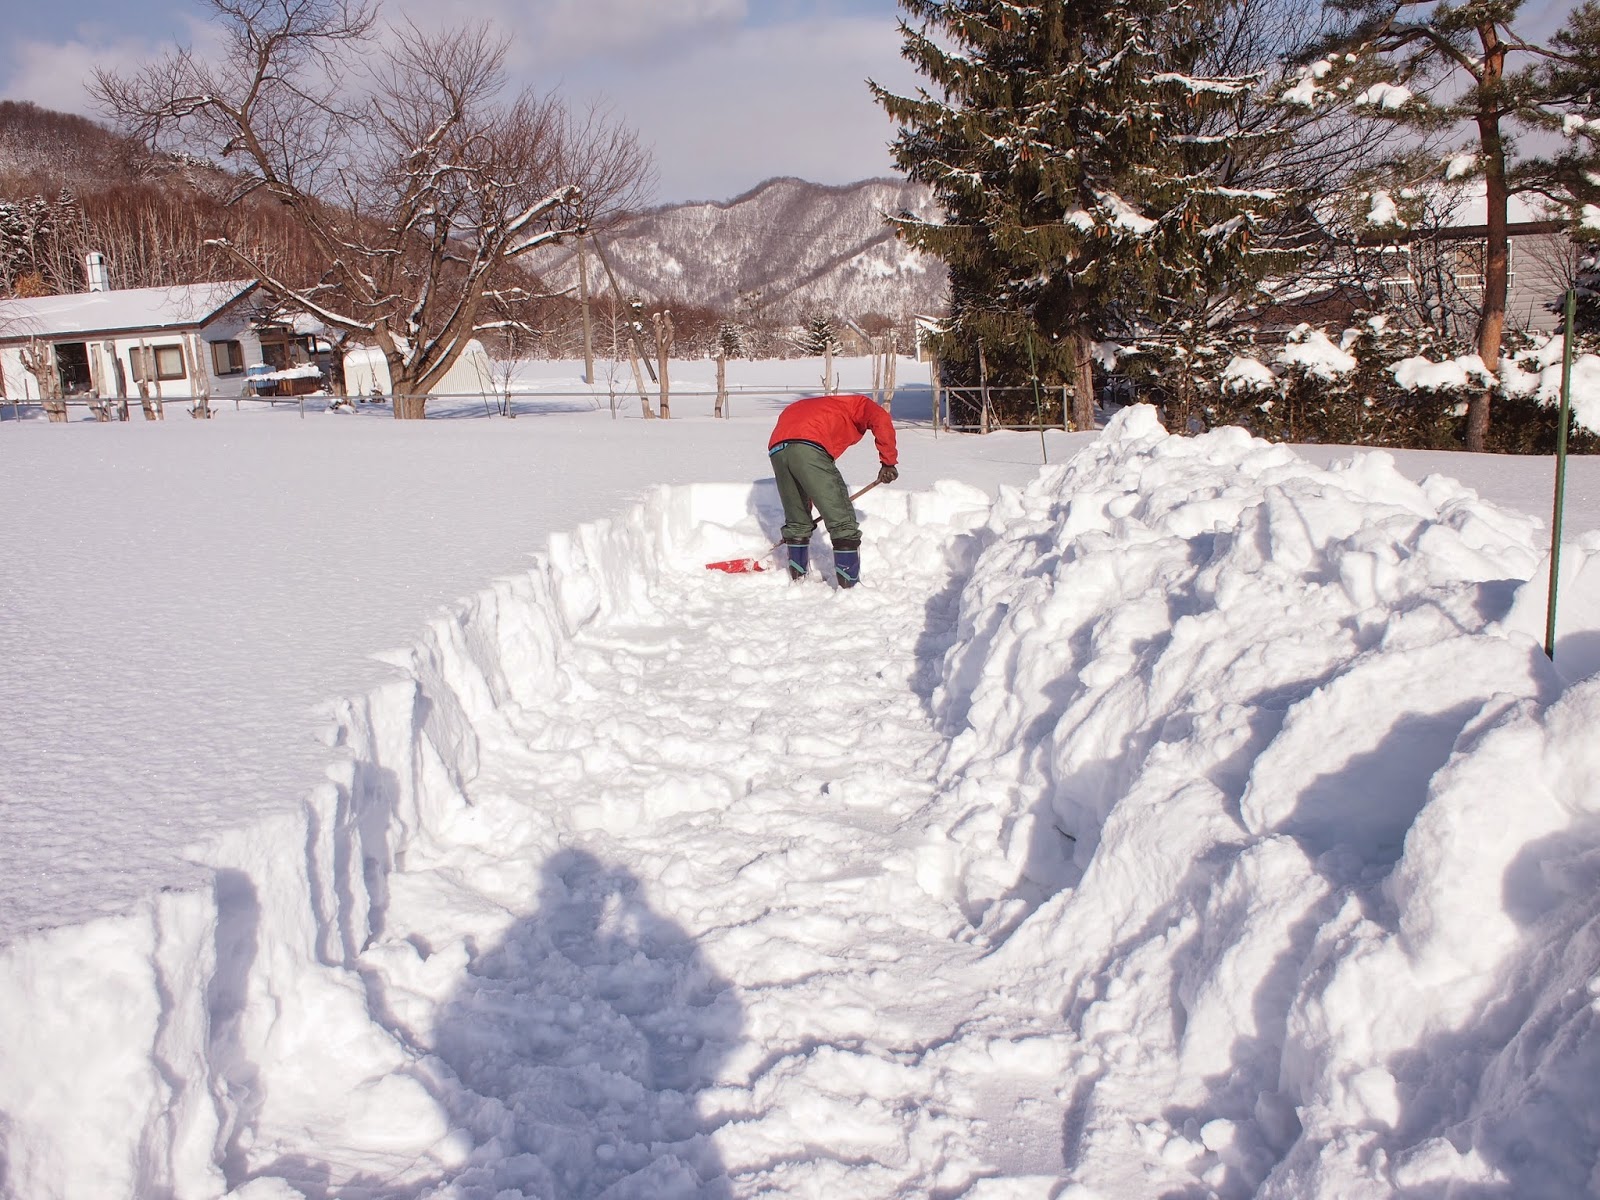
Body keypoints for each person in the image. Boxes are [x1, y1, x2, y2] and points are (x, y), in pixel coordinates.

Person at [767, 392, 898, 588]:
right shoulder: (860, 404)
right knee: (842, 520)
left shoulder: (815, 406)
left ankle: (799, 582)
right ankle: (850, 587)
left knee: (797, 521)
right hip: (809, 445)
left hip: (777, 449)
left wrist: (808, 506)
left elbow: (807, 478)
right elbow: (880, 418)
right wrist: (888, 462)